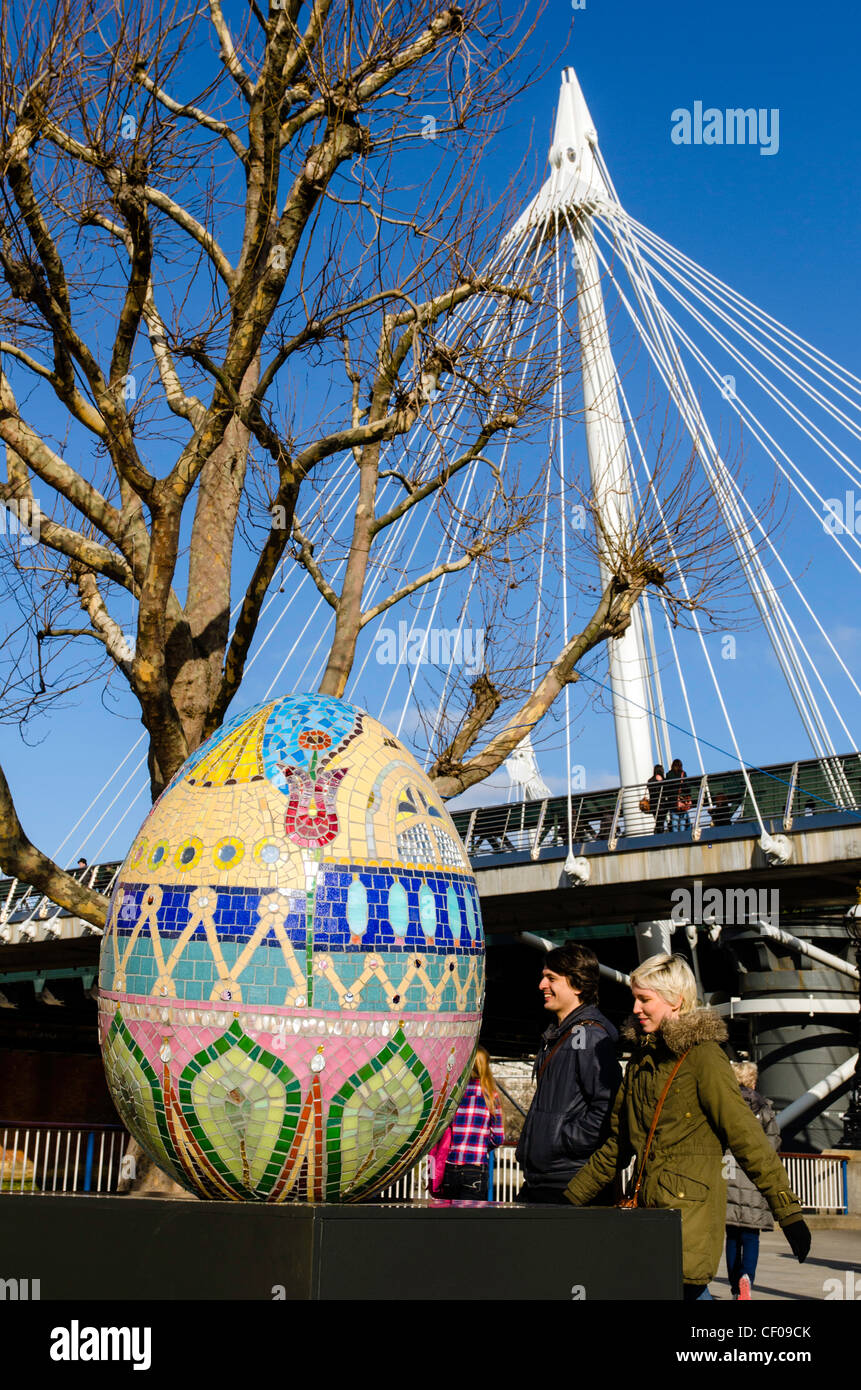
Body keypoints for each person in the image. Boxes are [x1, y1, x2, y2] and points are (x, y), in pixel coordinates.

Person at [563, 953, 810, 1301]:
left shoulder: (704, 1057)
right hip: (647, 1218)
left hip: (687, 1219)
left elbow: (747, 1136)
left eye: (645, 999)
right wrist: (568, 1199)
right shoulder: (641, 1061)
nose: (635, 1008)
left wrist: (788, 1212)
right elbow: (618, 1145)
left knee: (687, 1292)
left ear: (676, 1001)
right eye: (635, 998)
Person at [516, 943, 621, 1204]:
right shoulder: (564, 1035)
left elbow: (607, 1106)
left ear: (577, 984)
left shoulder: (587, 1035)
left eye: (551, 978)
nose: (541, 985)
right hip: (549, 1178)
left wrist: (564, 1142)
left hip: (568, 1181)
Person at [724, 1060, 781, 1300]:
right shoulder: (764, 1109)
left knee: (732, 1236)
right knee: (751, 1235)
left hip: (727, 1176)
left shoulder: (725, 1105)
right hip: (753, 1178)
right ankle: (747, 1278)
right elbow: (774, 1143)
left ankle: (735, 1288)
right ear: (753, 1081)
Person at [435, 1046, 504, 1199]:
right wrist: (480, 1145)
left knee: (449, 1219)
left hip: (450, 1166)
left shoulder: (454, 1094)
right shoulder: (491, 1097)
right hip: (475, 1168)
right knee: (472, 1220)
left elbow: (441, 1130)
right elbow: (498, 1138)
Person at [665, 758, 690, 832]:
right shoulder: (683, 774)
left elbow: (667, 788)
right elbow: (687, 787)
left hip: (672, 801)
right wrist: (687, 795)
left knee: (674, 821)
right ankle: (682, 836)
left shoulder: (668, 774)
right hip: (681, 800)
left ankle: (675, 836)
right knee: (682, 821)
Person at [647, 763, 666, 831]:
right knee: (661, 821)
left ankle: (658, 831)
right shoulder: (664, 780)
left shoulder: (650, 781)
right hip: (663, 804)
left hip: (654, 804)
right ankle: (659, 831)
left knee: (657, 820)